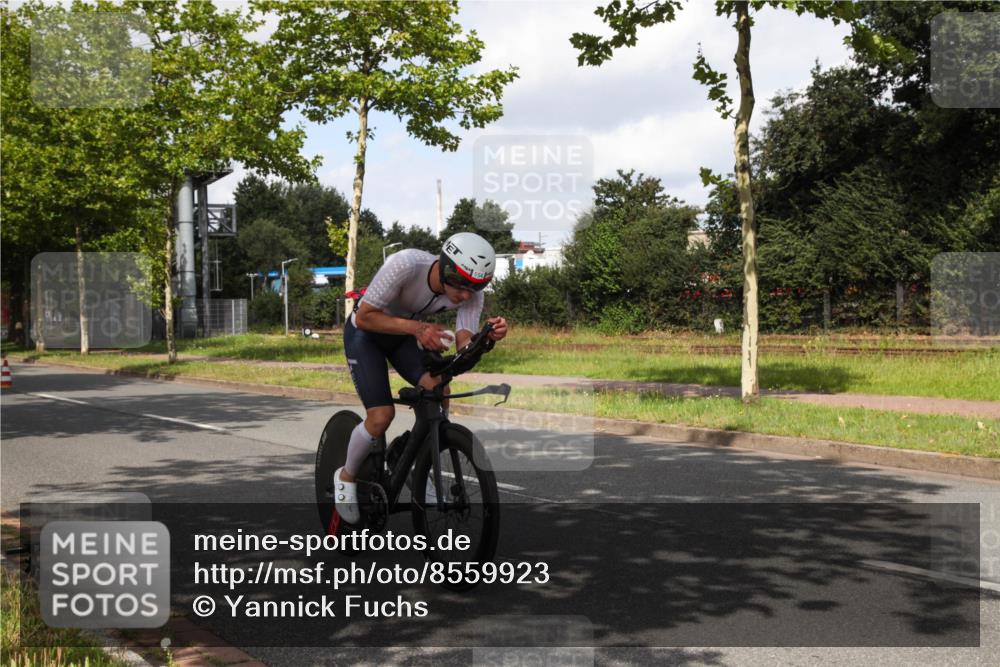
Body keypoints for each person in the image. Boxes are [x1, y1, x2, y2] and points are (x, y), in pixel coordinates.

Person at [335, 232, 508, 523]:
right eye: (461, 284)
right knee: (380, 417)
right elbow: (365, 317)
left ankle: (413, 459)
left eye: (476, 287)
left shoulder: (471, 293)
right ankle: (345, 476)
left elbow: (463, 341)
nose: (466, 295)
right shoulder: (405, 264)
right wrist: (417, 329)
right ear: (445, 266)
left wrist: (485, 339)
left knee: (438, 389)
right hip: (365, 333)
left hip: (402, 336)